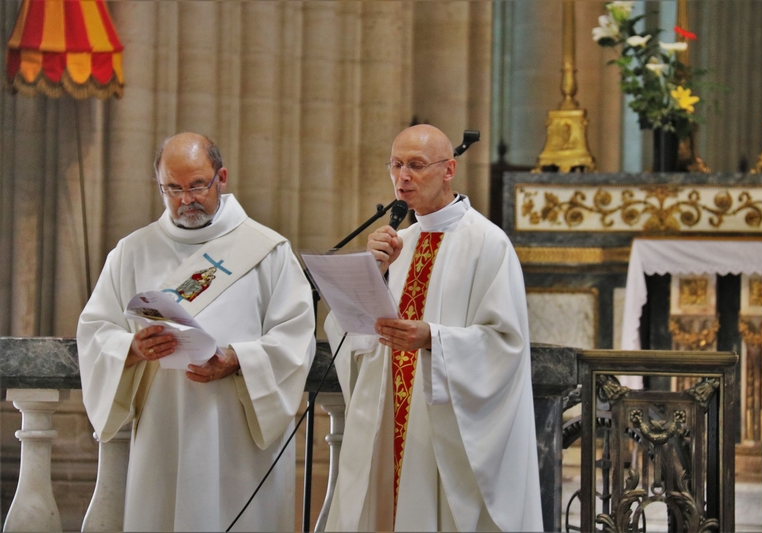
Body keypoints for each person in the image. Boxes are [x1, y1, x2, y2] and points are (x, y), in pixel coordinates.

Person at [77, 132, 316, 531]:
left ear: (221, 178)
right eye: (172, 188)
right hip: (163, 425)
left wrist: (237, 359)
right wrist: (132, 348)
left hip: (235, 432)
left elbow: (295, 337)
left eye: (196, 186)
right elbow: (95, 330)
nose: (185, 199)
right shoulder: (132, 251)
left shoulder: (268, 251)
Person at [324, 124, 543, 532]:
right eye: (396, 165)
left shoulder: (487, 244)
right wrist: (372, 272)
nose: (402, 177)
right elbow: (348, 330)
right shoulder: (396, 244)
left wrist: (434, 339)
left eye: (417, 165)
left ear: (448, 170)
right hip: (389, 416)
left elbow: (506, 345)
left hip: (440, 429)